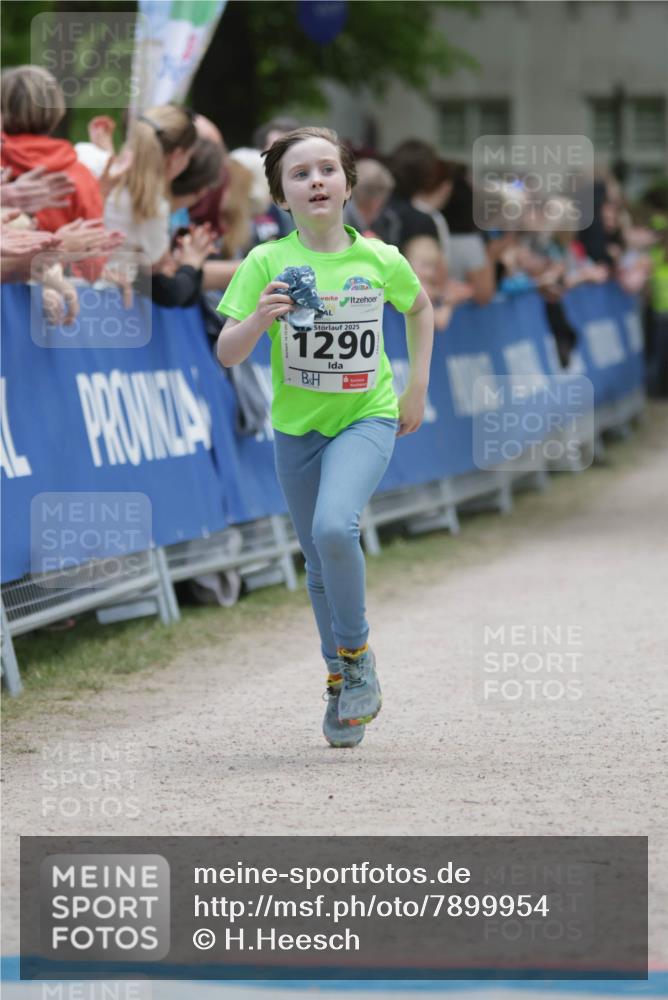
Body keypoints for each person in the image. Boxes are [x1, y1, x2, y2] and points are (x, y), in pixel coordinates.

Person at [216, 126, 433, 749]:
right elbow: (227, 352)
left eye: (326, 170)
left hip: (365, 415)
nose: (315, 180)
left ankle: (358, 656)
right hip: (297, 429)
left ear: (346, 183)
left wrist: (416, 386)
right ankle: (339, 677)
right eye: (299, 174)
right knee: (316, 557)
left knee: (336, 527)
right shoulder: (265, 261)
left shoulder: (380, 259)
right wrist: (258, 318)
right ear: (280, 196)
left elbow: (418, 310)